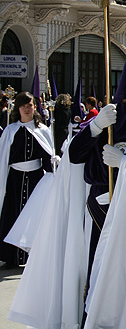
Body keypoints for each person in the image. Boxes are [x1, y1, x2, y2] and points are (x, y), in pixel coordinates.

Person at [8, 0, 126, 328]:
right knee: (89, 285)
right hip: (93, 221)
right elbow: (72, 158)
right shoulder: (102, 127)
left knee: (121, 288)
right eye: (123, 103)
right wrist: (95, 127)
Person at [0, 91, 55, 269]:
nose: (27, 108)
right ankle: (11, 256)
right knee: (12, 215)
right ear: (18, 108)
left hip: (36, 179)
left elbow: (49, 157)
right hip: (15, 179)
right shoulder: (11, 130)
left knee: (35, 217)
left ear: (35, 107)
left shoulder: (43, 130)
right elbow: (4, 157)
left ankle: (33, 256)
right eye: (23, 105)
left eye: (30, 105)